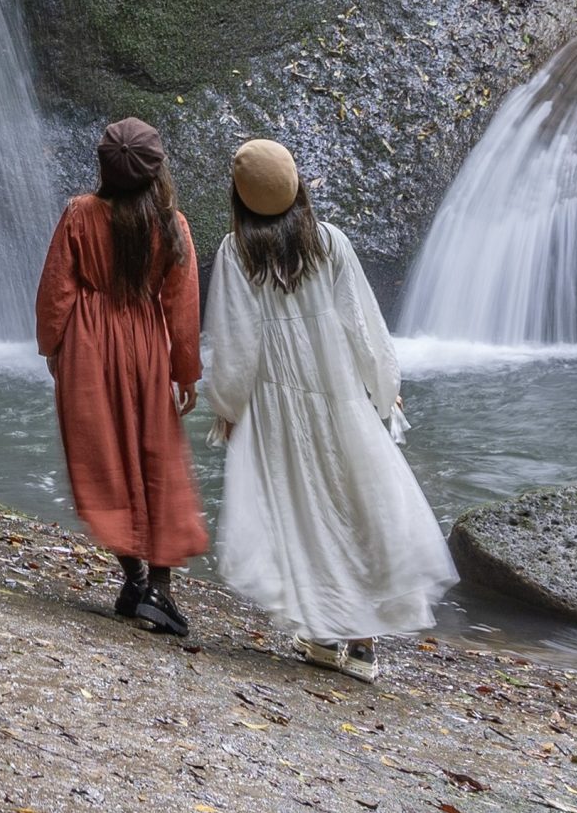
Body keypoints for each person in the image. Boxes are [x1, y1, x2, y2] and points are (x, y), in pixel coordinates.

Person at [199, 138, 455, 682]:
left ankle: (321, 634)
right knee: (356, 506)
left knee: (302, 512)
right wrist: (383, 388)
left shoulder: (235, 250)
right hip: (338, 395)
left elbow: (235, 342)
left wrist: (228, 403)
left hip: (276, 405)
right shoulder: (328, 241)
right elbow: (362, 323)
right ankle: (361, 644)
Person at [36, 116, 207, 636]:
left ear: (105, 168)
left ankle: (133, 577)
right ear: (157, 171)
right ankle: (158, 587)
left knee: (102, 458)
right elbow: (182, 305)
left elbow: (56, 290)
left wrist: (52, 346)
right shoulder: (171, 224)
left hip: (88, 344)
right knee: (158, 456)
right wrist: (185, 372)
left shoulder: (79, 214)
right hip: (146, 345)